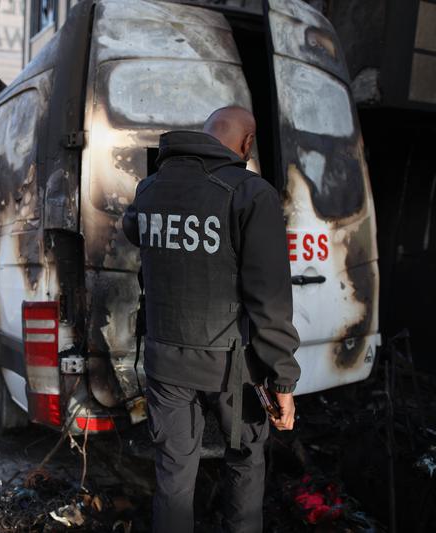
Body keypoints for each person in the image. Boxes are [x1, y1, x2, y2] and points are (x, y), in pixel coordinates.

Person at [122, 107, 301, 533]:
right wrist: (282, 381)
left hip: (164, 361)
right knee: (244, 462)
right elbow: (269, 297)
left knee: (173, 474)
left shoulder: (150, 188)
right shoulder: (251, 193)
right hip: (230, 368)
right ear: (246, 144)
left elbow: (134, 231)